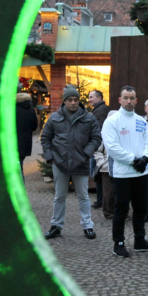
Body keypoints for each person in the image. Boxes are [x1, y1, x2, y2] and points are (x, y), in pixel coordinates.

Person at [102, 86, 148, 257]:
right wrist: (134, 160)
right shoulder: (112, 121)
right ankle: (118, 243)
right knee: (121, 209)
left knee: (141, 208)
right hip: (122, 173)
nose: (129, 101)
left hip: (141, 172)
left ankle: (139, 240)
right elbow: (112, 148)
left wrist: (146, 159)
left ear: (136, 100)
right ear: (119, 100)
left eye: (132, 98)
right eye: (125, 98)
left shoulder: (141, 121)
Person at [41, 85, 102, 240]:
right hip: (59, 163)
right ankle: (56, 226)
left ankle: (88, 226)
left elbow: (96, 138)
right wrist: (50, 157)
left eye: (75, 100)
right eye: (70, 100)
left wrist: (86, 153)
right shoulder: (54, 118)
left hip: (80, 163)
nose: (73, 103)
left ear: (79, 101)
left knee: (83, 196)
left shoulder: (89, 118)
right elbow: (45, 138)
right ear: (65, 101)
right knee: (59, 196)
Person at [88, 90, 110, 209]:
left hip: (98, 147)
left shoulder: (100, 111)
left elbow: (99, 129)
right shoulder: (99, 109)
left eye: (91, 97)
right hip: (99, 146)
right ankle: (101, 199)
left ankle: (101, 200)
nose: (89, 99)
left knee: (98, 174)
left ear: (99, 98)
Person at [16, 91, 38, 178]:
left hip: (13, 143)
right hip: (26, 143)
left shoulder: (13, 109)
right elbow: (34, 126)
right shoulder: (31, 109)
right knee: (19, 164)